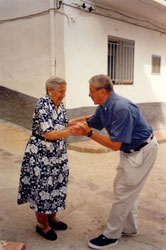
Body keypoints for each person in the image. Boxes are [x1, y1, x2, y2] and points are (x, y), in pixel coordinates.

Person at [70, 74, 158, 249]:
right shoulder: (103, 107)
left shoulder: (120, 108)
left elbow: (115, 145)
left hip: (141, 152)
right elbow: (93, 122)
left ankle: (111, 235)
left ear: (102, 91)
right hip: (130, 152)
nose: (89, 95)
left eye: (90, 91)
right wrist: (70, 123)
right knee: (122, 188)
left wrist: (88, 134)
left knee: (124, 192)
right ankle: (129, 228)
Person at [17, 76, 91, 241]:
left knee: (57, 183)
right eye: (61, 91)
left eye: (65, 91)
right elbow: (49, 133)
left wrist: (83, 119)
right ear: (50, 90)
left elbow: (63, 123)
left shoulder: (60, 105)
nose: (64, 94)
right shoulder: (42, 104)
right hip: (41, 154)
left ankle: (52, 218)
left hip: (58, 154)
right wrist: (73, 131)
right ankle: (42, 225)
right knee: (43, 188)